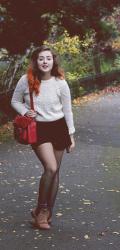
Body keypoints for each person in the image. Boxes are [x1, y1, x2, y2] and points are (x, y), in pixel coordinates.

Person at [11, 45, 75, 230]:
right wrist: (26, 111)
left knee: (55, 172)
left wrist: (71, 135)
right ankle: (41, 210)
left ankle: (45, 213)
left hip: (59, 128)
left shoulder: (60, 83)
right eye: (41, 58)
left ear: (53, 61)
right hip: (38, 128)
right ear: (36, 61)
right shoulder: (26, 80)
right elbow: (14, 100)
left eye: (48, 58)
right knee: (51, 167)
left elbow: (68, 110)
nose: (45, 61)